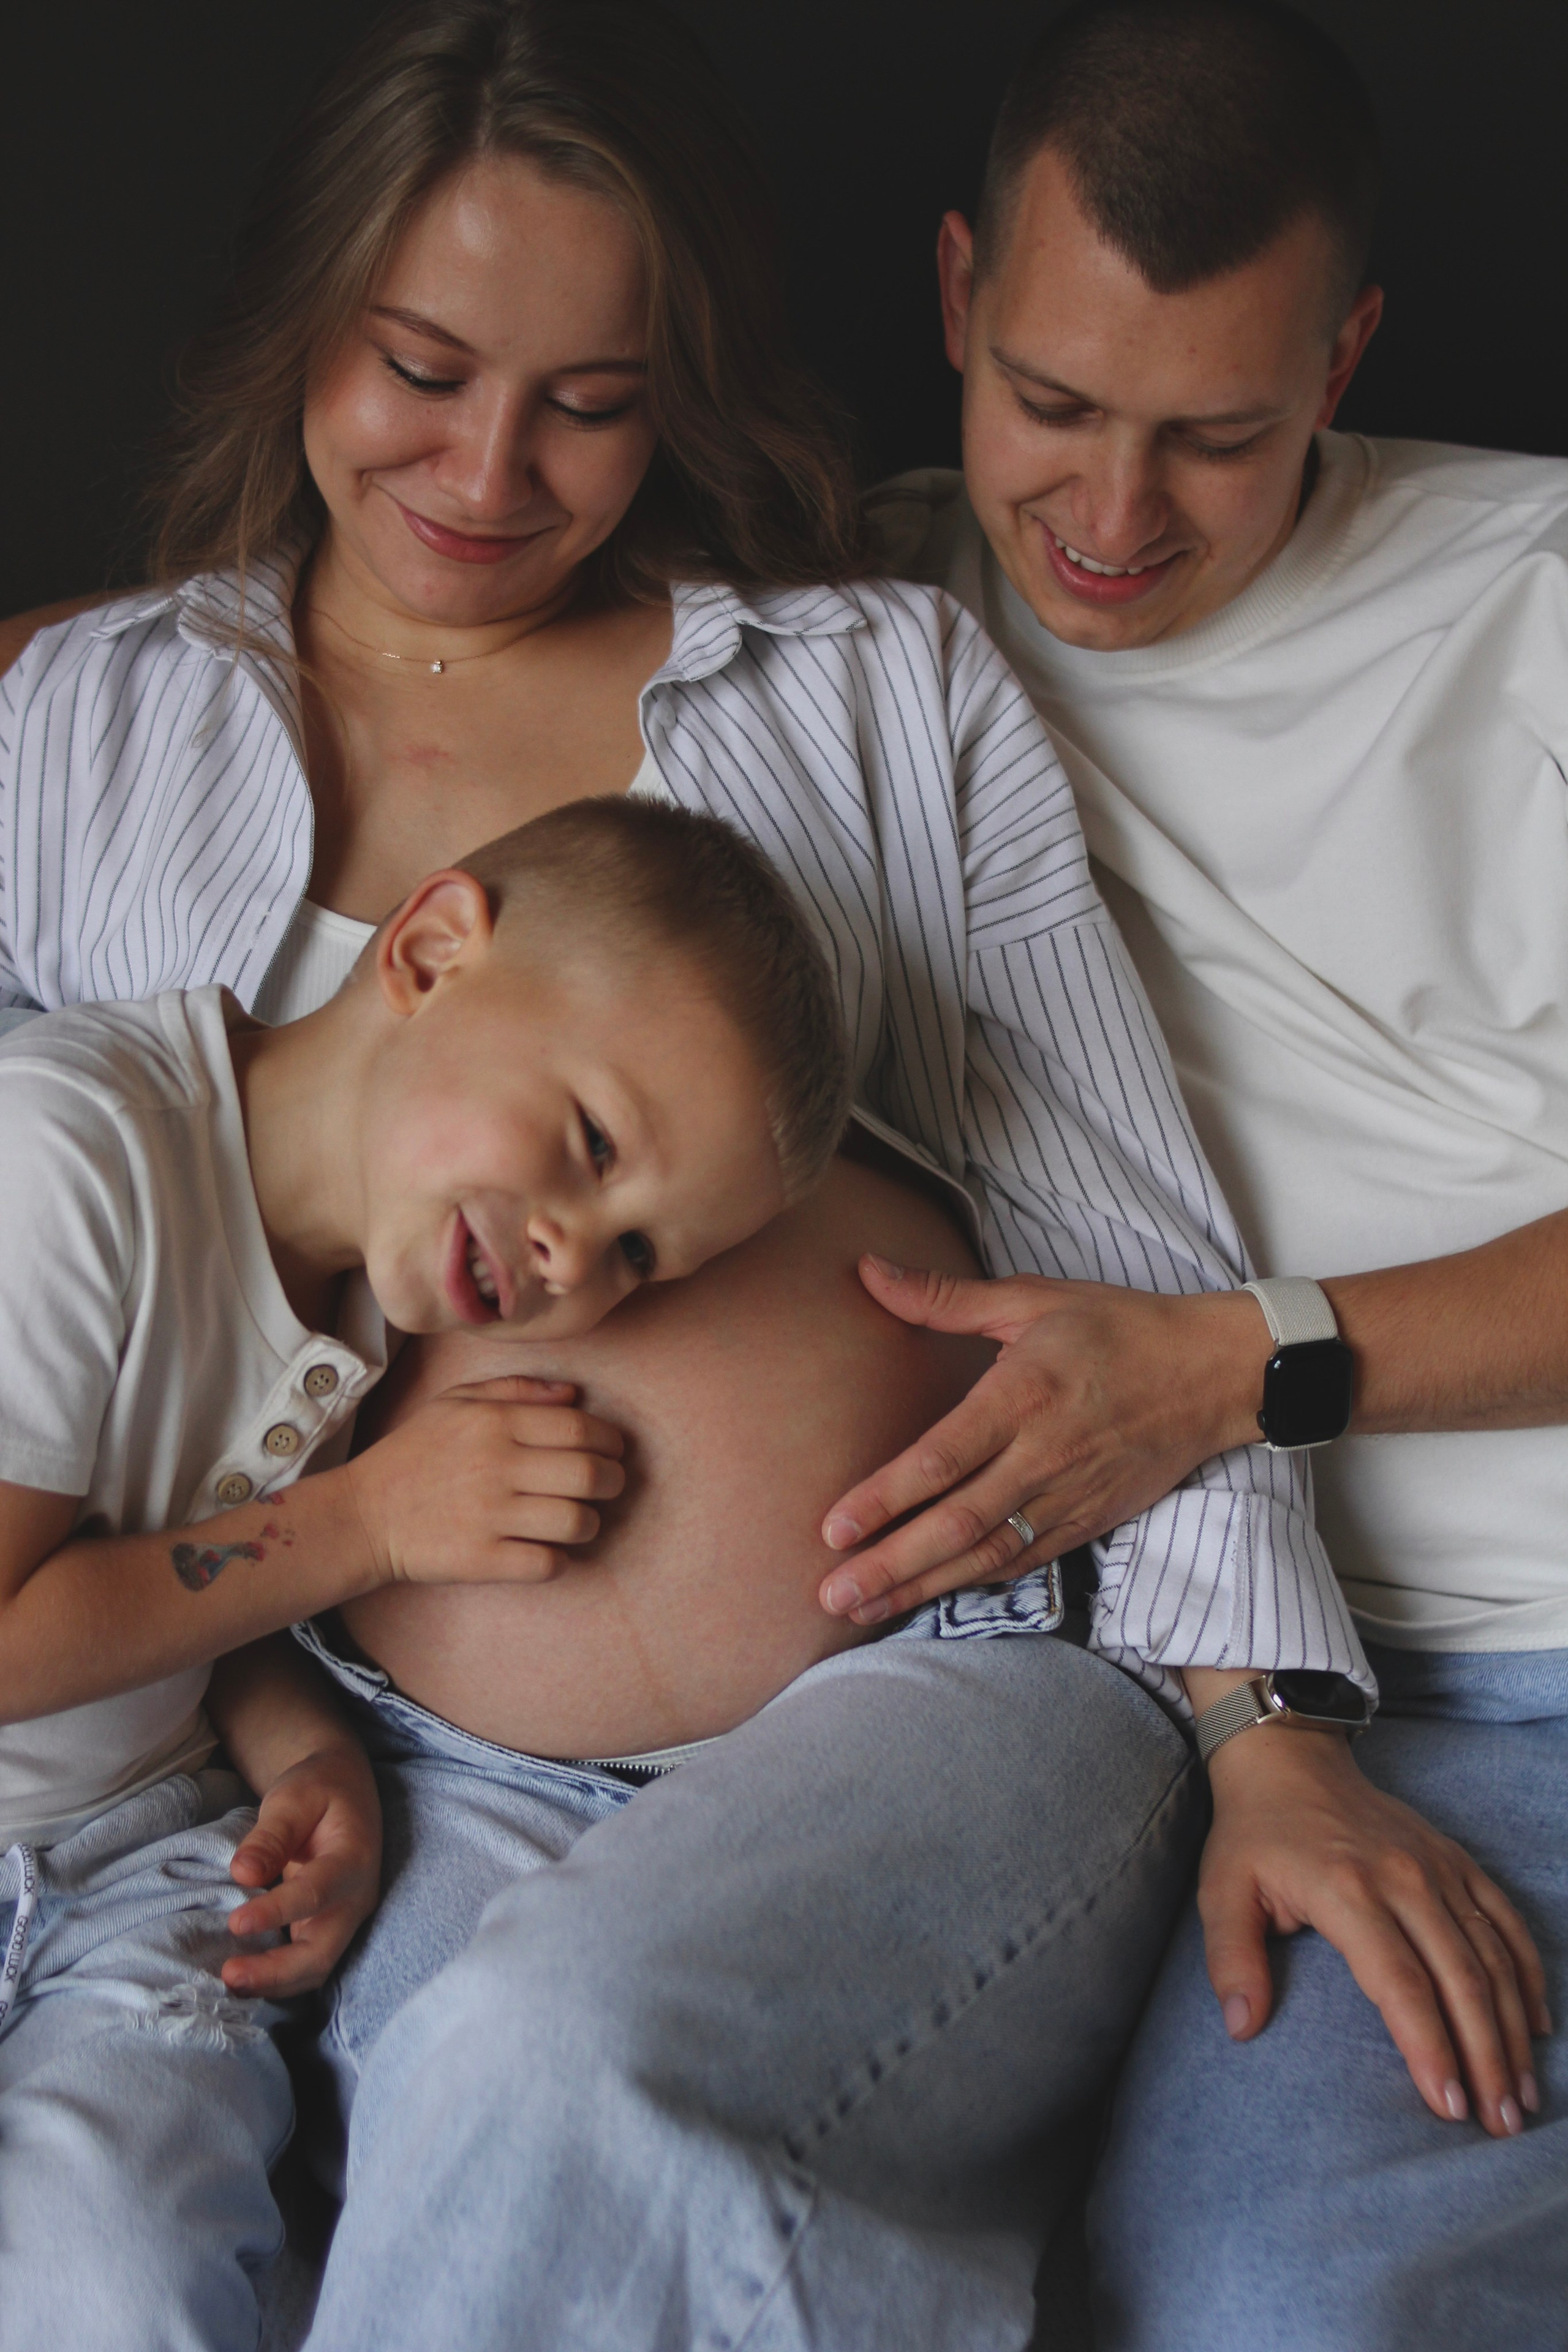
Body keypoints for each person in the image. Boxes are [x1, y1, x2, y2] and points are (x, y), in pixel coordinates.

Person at [0, 2, 1502, 2343]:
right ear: (303, 318)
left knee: (557, 2064)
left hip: (925, 1675)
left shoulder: (866, 684)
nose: (492, 467)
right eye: (419, 365)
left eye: (593, 404)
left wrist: (1262, 1731)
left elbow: (1126, 1236)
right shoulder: (85, 722)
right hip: (359, 1734)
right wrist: (273, 1726)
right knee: (410, 2143)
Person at [876, 0, 1567, 2340]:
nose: (1110, 517)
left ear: (1347, 356)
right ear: (960, 300)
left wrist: (1236, 1372)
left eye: (1219, 439)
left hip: (1533, 1664)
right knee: (1238, 2283)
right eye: (1050, 405)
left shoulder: (1538, 592)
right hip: (1253, 1707)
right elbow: (299, 636)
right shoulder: (847, 628)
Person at [0, 792, 844, 2352]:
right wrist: (372, 1524)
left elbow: (165, 1577)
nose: (573, 1259)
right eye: (593, 1144)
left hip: (136, 1864)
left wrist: (304, 1752)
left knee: (111, 2275)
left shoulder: (358, 1303)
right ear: (435, 949)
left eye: (641, 1255)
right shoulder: (72, 1158)